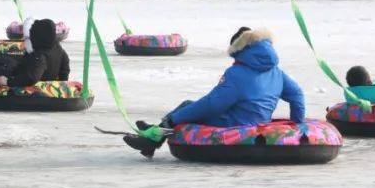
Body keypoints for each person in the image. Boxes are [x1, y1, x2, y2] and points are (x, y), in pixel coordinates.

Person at [123, 27, 305, 158]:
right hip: (259, 121)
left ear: (240, 49)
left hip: (232, 123)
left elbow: (213, 105)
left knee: (187, 106)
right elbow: (297, 95)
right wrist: (297, 123)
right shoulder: (277, 73)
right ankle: (153, 135)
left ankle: (153, 139)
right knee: (189, 106)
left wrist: (174, 119)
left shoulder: (237, 73)